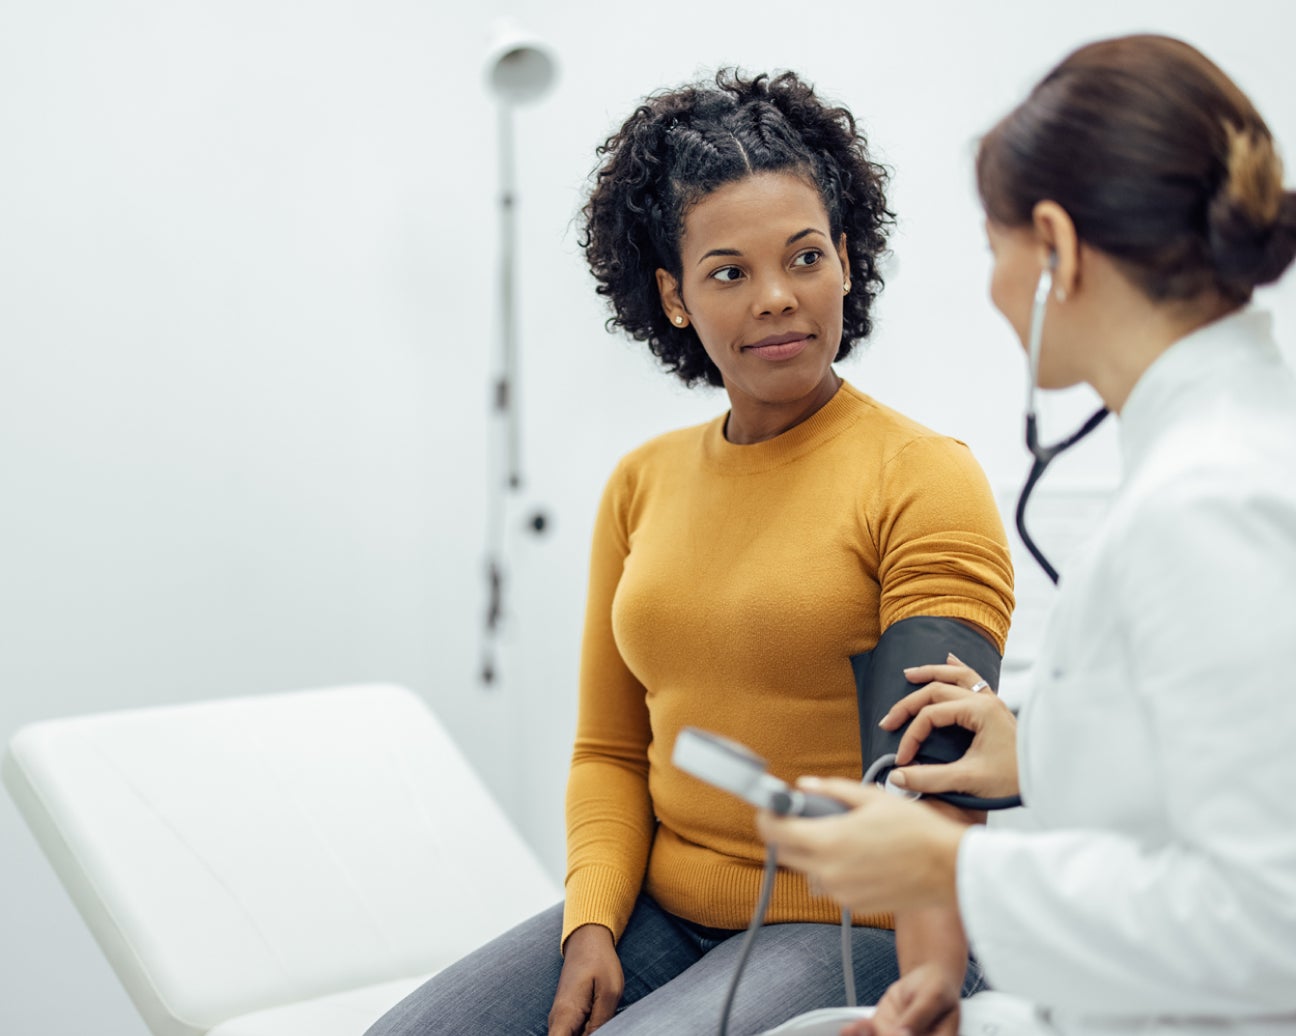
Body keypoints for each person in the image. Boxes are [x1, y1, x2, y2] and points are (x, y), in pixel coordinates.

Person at [365, 70, 1013, 1036]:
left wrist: (931, 981)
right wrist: (592, 924)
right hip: (664, 911)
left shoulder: (921, 476)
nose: (777, 299)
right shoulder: (643, 483)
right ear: (673, 295)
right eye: (728, 272)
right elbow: (609, 748)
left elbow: (933, 782)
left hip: (857, 923)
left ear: (845, 261)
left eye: (805, 257)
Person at [757, 33, 1296, 1036]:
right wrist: (1040, 749)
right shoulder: (1223, 456)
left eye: (993, 246)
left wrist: (950, 867)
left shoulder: (1210, 501)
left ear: (1056, 246)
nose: (995, 286)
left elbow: (1276, 917)